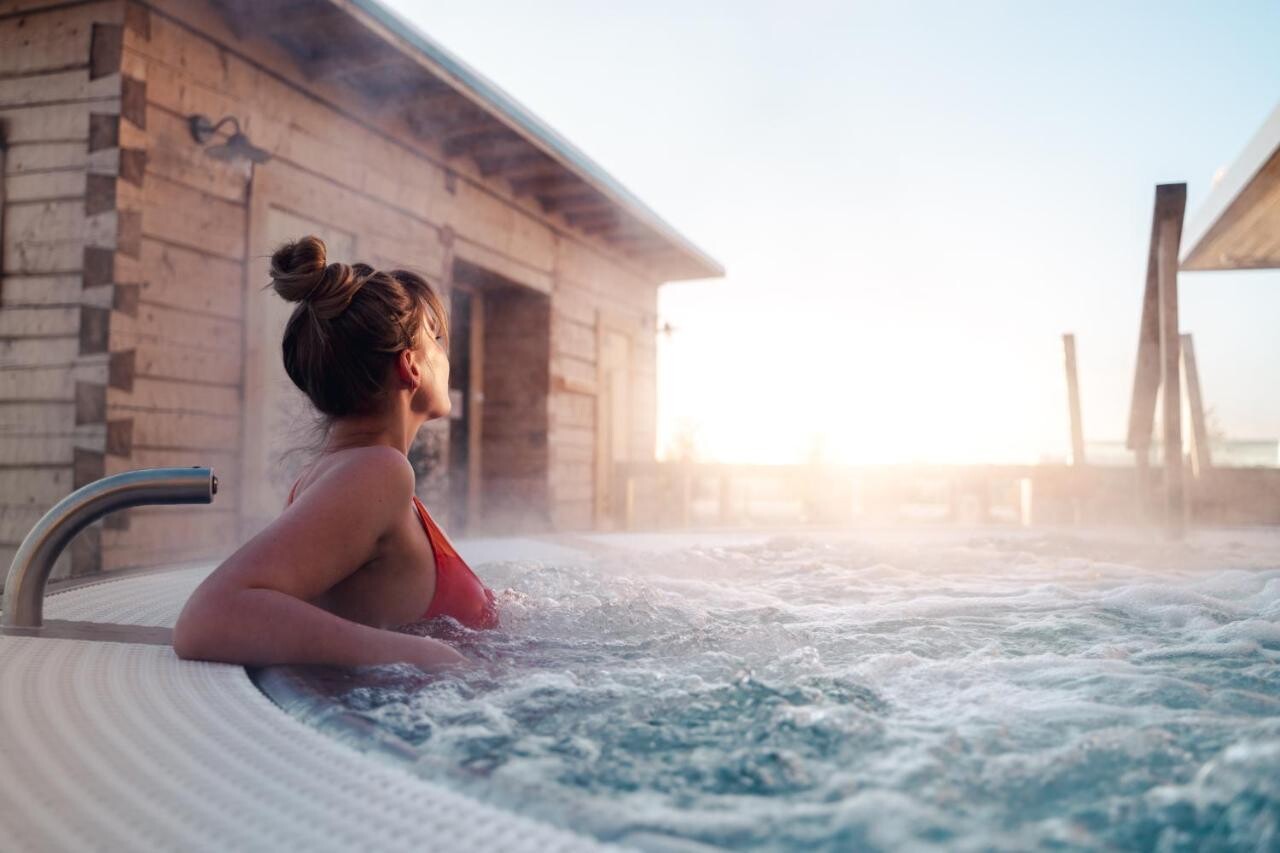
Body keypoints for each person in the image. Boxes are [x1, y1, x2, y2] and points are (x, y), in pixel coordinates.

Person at [173, 236, 497, 672]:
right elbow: (208, 618)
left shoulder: (355, 471)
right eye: (436, 338)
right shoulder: (376, 471)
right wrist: (421, 655)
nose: (446, 352)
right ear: (411, 366)